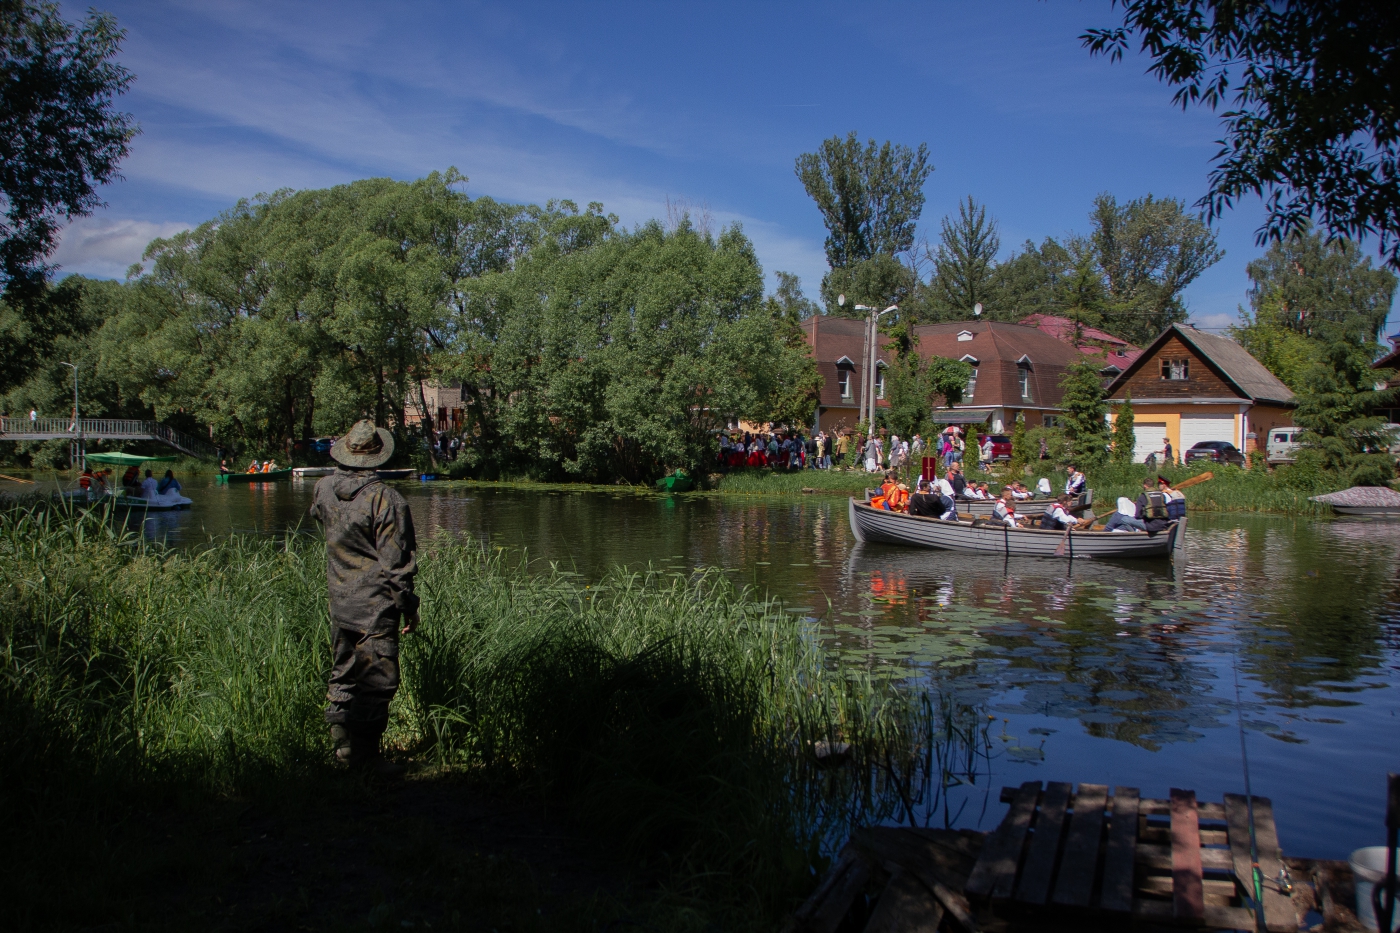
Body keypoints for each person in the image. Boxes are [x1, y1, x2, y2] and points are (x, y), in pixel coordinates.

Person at [309, 419, 418, 774]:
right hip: (375, 606)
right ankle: (366, 759)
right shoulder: (386, 499)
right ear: (377, 458)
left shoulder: (323, 488)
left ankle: (341, 750)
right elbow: (396, 565)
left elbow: (323, 522)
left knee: (343, 672)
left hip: (339, 600)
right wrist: (408, 608)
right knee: (377, 681)